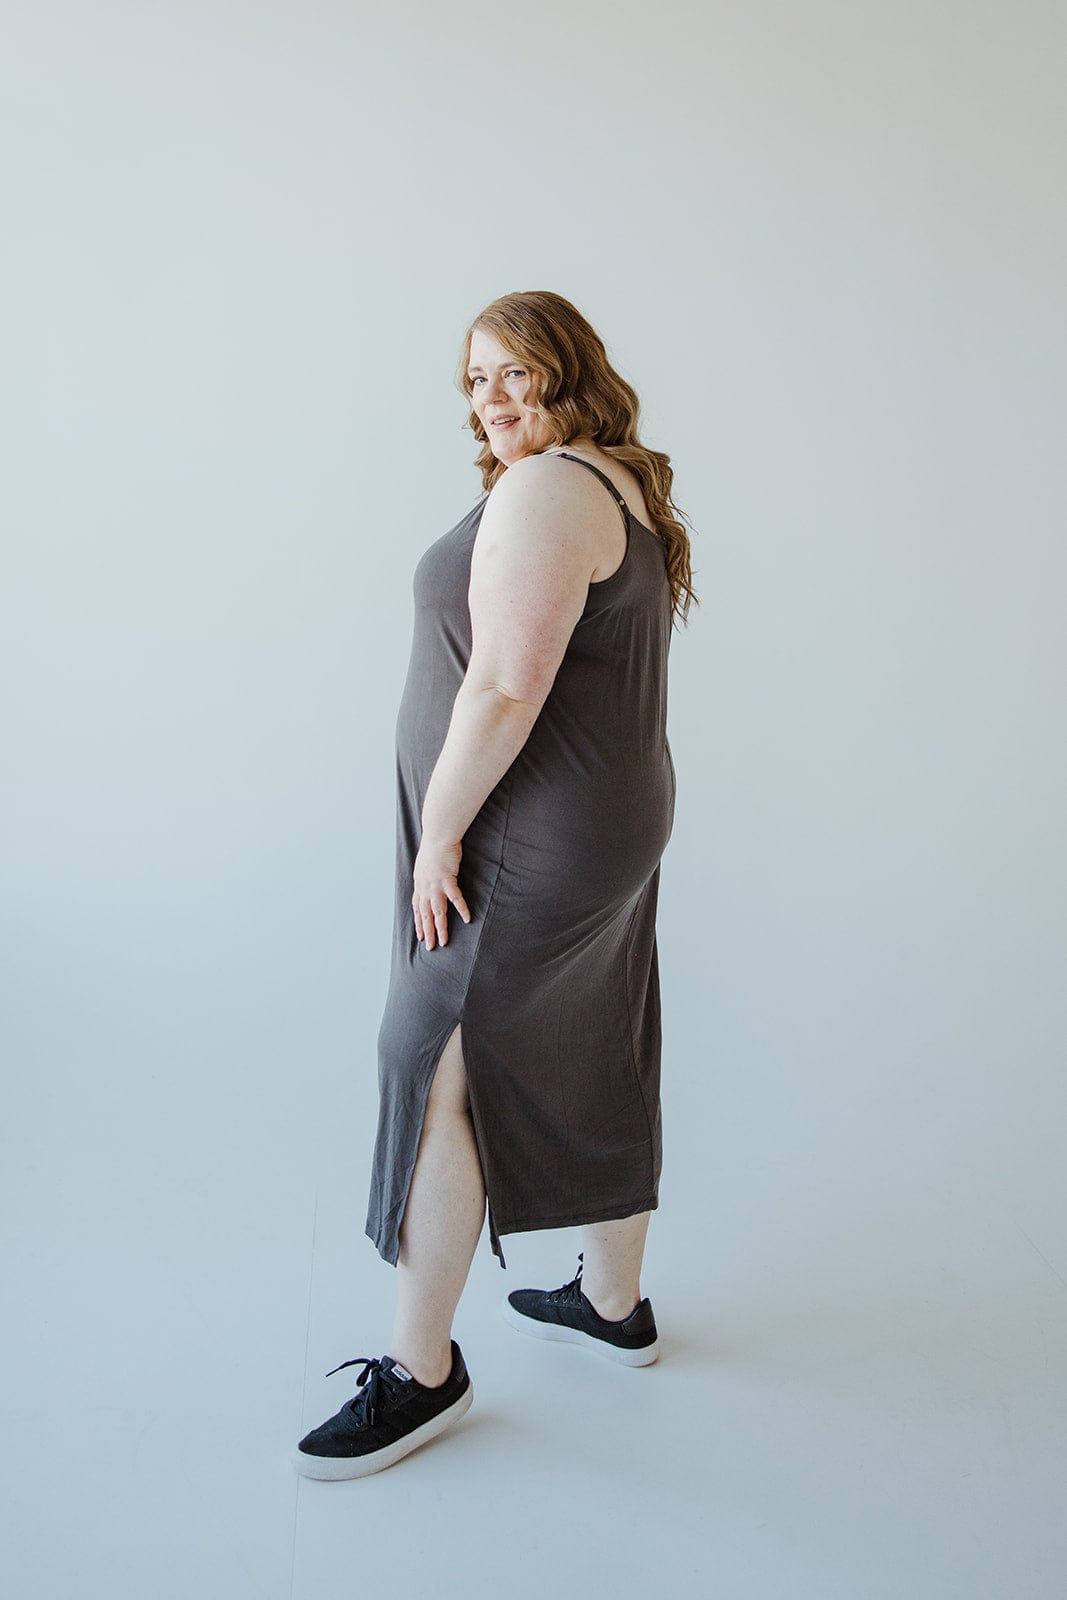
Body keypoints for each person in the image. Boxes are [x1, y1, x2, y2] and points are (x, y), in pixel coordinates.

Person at [294, 290, 698, 1481]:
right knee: (596, 1028)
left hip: (527, 830)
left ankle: (422, 1373)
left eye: (516, 371)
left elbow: (505, 690)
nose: (493, 397)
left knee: (432, 1064)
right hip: (607, 819)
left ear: (567, 370)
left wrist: (438, 838)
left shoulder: (544, 490)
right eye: (474, 380)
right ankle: (611, 1301)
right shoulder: (616, 478)